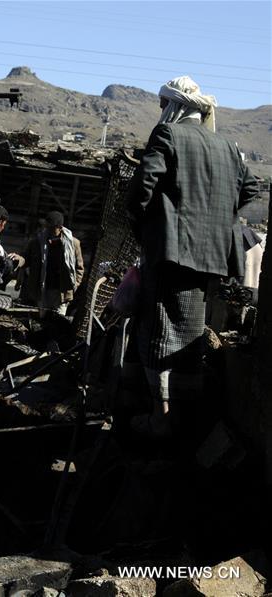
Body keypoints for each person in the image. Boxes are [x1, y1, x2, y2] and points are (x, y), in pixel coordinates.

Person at [127, 75, 260, 436]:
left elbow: (142, 188)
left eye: (162, 105)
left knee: (159, 334)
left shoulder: (167, 135)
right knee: (189, 336)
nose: (161, 111)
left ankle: (160, 418)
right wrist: (218, 219)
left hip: (170, 253)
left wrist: (145, 223)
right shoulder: (229, 147)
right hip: (211, 259)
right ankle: (183, 421)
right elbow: (251, 188)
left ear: (174, 106)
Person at [19, 211, 84, 316]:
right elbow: (26, 259)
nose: (48, 230)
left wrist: (74, 285)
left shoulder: (72, 244)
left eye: (51, 227)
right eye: (47, 226)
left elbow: (79, 268)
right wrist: (19, 259)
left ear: (60, 227)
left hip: (61, 293)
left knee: (58, 322)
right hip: (42, 290)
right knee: (42, 320)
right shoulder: (37, 242)